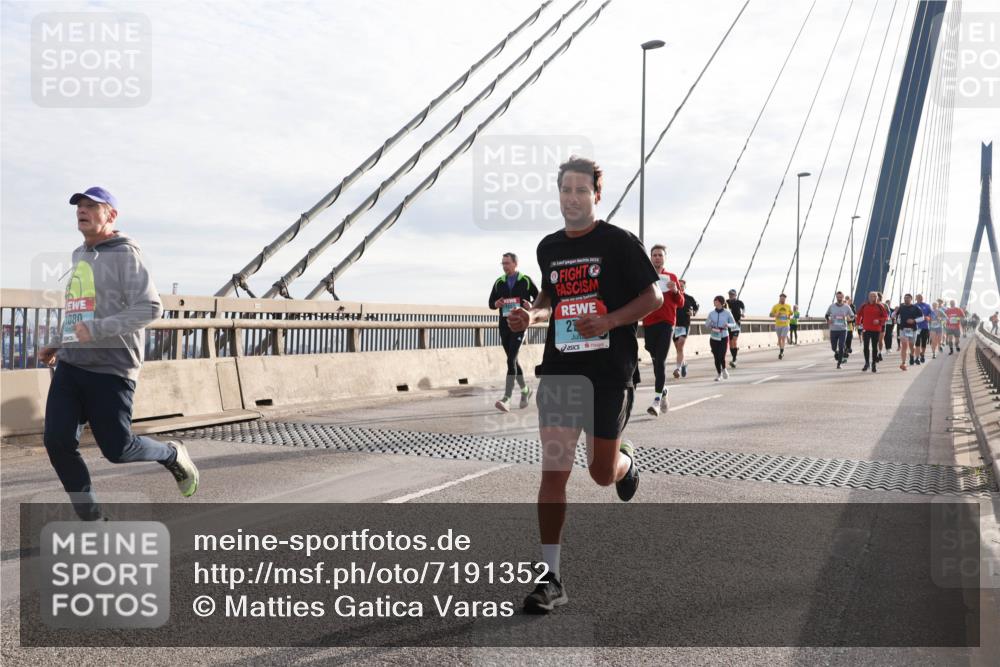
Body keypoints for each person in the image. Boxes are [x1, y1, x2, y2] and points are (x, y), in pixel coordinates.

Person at [507, 156, 661, 614]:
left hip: (609, 372)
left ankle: (625, 464)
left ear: (596, 194)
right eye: (565, 191)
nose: (572, 198)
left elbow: (653, 296)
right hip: (560, 371)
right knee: (553, 473)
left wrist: (611, 320)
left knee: (598, 472)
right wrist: (529, 316)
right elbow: (549, 299)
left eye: (580, 191)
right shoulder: (549, 247)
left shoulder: (619, 243)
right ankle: (550, 579)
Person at [38, 187, 199, 521]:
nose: (82, 211)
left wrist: (98, 330)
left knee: (118, 449)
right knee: (57, 442)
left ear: (111, 215)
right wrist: (59, 341)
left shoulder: (126, 255)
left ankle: (171, 453)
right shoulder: (78, 256)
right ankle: (93, 519)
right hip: (73, 366)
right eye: (79, 206)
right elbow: (79, 311)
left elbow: (152, 307)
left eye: (91, 206)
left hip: (112, 368)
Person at [488, 252, 539, 412]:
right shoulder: (499, 282)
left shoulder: (525, 280)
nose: (504, 266)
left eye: (507, 263)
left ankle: (507, 399)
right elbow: (491, 303)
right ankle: (526, 391)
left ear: (515, 264)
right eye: (502, 263)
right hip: (504, 326)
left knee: (510, 360)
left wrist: (530, 305)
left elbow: (539, 299)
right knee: (513, 361)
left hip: (520, 325)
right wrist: (496, 303)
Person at [641, 244, 683, 417]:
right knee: (653, 356)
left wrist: (675, 290)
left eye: (660, 255)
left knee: (661, 362)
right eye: (654, 255)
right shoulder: (645, 275)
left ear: (665, 257)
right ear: (650, 258)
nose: (657, 257)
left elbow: (680, 303)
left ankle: (657, 401)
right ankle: (664, 390)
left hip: (667, 323)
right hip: (649, 322)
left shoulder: (671, 277)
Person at [672, 280, 699, 379]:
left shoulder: (689, 298)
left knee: (680, 346)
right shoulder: (672, 297)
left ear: (685, 287)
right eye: (679, 286)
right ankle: (684, 363)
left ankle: (677, 369)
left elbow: (696, 308)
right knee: (678, 349)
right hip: (674, 325)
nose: (681, 288)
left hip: (685, 325)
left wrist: (693, 313)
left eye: (682, 286)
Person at [706, 296, 736, 381]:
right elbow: (706, 324)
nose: (714, 302)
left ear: (720, 302)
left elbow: (734, 324)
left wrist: (728, 325)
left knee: (721, 355)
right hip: (714, 336)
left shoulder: (727, 312)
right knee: (716, 356)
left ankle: (724, 369)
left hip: (723, 336)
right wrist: (709, 323)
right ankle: (719, 374)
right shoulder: (711, 313)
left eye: (715, 300)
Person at [856, 291, 886, 373]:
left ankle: (873, 364)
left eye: (875, 296)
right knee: (866, 346)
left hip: (876, 330)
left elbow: (885, 317)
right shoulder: (864, 305)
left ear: (877, 297)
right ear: (868, 297)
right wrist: (858, 323)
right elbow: (859, 315)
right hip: (866, 329)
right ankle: (867, 363)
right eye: (872, 296)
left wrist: (879, 320)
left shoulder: (880, 306)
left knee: (874, 347)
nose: (874, 298)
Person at [895, 293, 923, 370]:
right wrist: (895, 311)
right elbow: (892, 315)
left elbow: (922, 318)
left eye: (908, 298)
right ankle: (903, 363)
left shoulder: (915, 308)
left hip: (912, 329)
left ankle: (911, 355)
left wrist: (914, 320)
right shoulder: (901, 307)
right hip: (903, 329)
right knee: (904, 346)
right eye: (905, 298)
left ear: (911, 299)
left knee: (911, 345)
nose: (906, 299)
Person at [825, 291, 853, 369]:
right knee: (833, 348)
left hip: (843, 330)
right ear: (836, 297)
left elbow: (852, 316)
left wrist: (849, 318)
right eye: (838, 297)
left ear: (843, 297)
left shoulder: (847, 307)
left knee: (841, 345)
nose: (839, 298)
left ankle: (839, 363)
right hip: (833, 330)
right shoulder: (832, 306)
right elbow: (826, 315)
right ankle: (837, 353)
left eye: (841, 297)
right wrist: (828, 320)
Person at [769, 293, 794, 360]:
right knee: (779, 339)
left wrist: (789, 315)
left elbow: (791, 313)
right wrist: (776, 314)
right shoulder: (775, 306)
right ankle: (781, 349)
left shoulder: (788, 306)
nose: (783, 299)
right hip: (778, 325)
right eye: (782, 298)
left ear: (785, 299)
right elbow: (770, 314)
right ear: (779, 298)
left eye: (784, 298)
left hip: (786, 325)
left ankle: (781, 353)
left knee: (783, 338)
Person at [725, 289, 745, 368]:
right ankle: (734, 358)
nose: (731, 295)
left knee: (734, 340)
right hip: (729, 324)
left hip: (736, 324)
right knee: (730, 342)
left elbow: (743, 308)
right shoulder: (726, 302)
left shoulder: (739, 302)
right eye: (730, 294)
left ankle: (734, 359)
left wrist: (743, 314)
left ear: (735, 295)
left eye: (732, 294)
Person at [913, 294, 932, 364]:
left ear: (922, 298)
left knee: (923, 343)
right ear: (916, 298)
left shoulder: (927, 306)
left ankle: (922, 354)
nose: (919, 299)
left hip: (925, 327)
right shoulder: (914, 306)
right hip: (916, 327)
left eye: (920, 297)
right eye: (918, 298)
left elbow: (930, 315)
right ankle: (917, 358)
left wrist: (928, 318)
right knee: (917, 343)